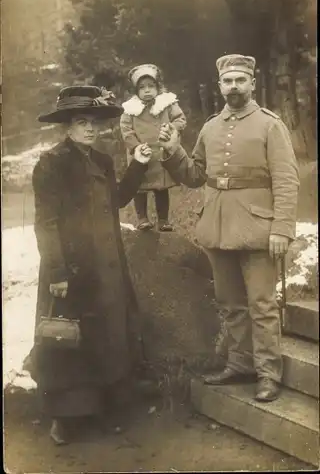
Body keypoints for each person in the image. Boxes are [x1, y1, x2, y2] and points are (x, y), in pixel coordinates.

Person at [158, 54, 299, 402]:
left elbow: (286, 179)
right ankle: (240, 364)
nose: (233, 86)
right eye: (227, 81)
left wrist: (281, 228)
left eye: (240, 80)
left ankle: (268, 373)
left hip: (257, 228)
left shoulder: (270, 125)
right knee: (231, 303)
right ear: (219, 85)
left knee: (262, 304)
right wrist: (173, 151)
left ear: (251, 83)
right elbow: (194, 176)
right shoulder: (210, 127)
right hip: (218, 226)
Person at [29, 85, 152, 445]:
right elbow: (46, 222)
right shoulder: (51, 163)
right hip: (71, 272)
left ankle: (107, 409)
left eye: (94, 123)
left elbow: (116, 201)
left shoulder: (103, 161)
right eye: (82, 122)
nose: (90, 129)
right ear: (66, 126)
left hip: (108, 267)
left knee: (109, 339)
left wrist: (138, 166)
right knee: (66, 342)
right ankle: (64, 419)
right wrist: (57, 272)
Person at [120, 64, 186, 231]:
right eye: (142, 87)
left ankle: (163, 220)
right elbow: (126, 130)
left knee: (161, 188)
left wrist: (172, 128)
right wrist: (135, 147)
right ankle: (142, 218)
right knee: (139, 187)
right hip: (141, 154)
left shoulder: (168, 104)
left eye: (151, 86)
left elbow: (180, 120)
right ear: (136, 91)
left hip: (160, 153)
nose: (147, 90)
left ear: (158, 87)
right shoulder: (130, 109)